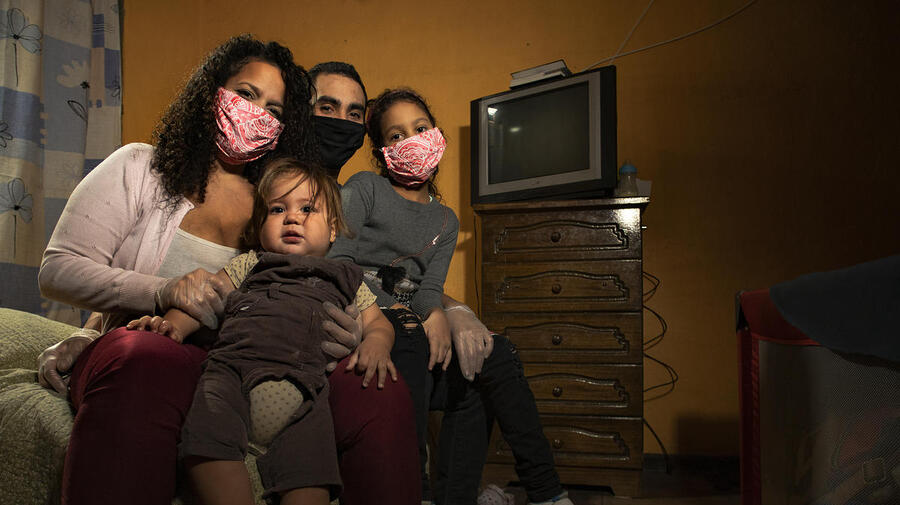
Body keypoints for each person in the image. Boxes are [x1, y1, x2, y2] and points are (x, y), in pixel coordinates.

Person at [36, 36, 419, 505]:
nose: (257, 112)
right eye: (246, 93)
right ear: (211, 93)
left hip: (263, 363)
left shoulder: (276, 204)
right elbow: (58, 269)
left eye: (275, 109)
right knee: (145, 355)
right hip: (165, 350)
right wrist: (164, 293)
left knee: (379, 389)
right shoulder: (142, 167)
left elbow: (322, 292)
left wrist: (351, 337)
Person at [333, 87, 574, 505]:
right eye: (395, 136)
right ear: (381, 151)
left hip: (416, 324)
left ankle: (545, 492)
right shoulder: (365, 188)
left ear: (436, 134)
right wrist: (407, 314)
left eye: (420, 128)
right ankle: (416, 491)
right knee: (407, 331)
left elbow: (427, 289)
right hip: (373, 321)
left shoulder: (445, 220)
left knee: (494, 354)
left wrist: (439, 313)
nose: (410, 140)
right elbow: (339, 262)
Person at [127, 159, 397, 505]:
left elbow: (378, 323)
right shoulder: (250, 264)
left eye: (308, 208)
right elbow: (205, 299)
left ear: (332, 230)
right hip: (231, 377)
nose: (292, 217)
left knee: (313, 475)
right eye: (278, 209)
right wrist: (172, 326)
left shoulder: (345, 277)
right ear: (260, 226)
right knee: (208, 444)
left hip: (306, 393)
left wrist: (376, 342)